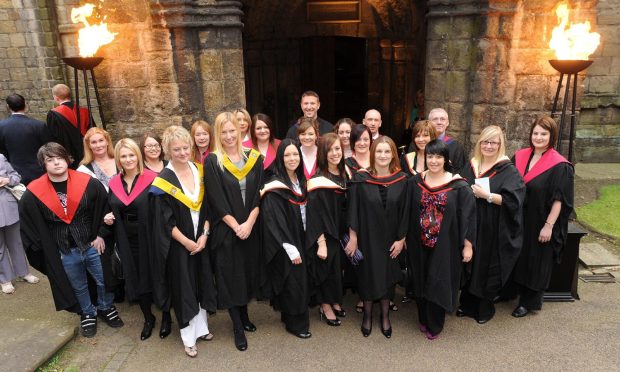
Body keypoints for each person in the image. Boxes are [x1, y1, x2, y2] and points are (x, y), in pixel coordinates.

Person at [19, 143, 124, 338]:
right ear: (43, 164)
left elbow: (106, 210)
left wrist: (101, 233)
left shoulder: (88, 183)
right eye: (50, 160)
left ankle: (105, 307)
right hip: (64, 249)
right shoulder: (33, 193)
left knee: (104, 280)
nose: (56, 162)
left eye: (59, 157)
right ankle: (87, 313)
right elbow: (28, 225)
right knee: (78, 285)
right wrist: (47, 251)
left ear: (68, 158)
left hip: (92, 243)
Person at [150, 126, 216, 357]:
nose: (182, 152)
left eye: (185, 147)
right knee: (184, 286)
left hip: (202, 239)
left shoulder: (199, 170)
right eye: (176, 149)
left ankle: (203, 328)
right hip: (179, 245)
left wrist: (205, 235)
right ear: (167, 151)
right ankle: (189, 337)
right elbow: (164, 222)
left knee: (201, 281)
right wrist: (188, 242)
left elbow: (209, 207)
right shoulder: (163, 181)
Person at [203, 112, 264, 352]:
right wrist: (235, 225)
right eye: (223, 132)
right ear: (218, 135)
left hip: (250, 226)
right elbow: (216, 199)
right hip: (226, 230)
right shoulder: (213, 161)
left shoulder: (254, 158)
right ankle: (237, 325)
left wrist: (249, 223)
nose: (229, 136)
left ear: (240, 131)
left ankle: (245, 315)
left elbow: (260, 193)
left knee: (247, 273)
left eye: (232, 131)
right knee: (230, 276)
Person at [406, 139, 475, 340]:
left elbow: (468, 217)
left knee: (438, 281)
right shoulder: (415, 182)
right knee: (419, 278)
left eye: (438, 156)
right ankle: (422, 316)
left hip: (445, 244)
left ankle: (434, 323)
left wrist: (468, 245)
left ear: (446, 159)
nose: (434, 160)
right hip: (418, 241)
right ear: (424, 157)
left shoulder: (458, 185)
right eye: (430, 156)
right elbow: (406, 211)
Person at [458, 125, 525, 324]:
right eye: (485, 142)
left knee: (486, 266)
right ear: (480, 143)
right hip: (471, 223)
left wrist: (486, 196)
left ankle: (484, 309)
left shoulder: (507, 169)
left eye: (493, 142)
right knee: (469, 263)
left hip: (493, 226)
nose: (488, 146)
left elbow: (513, 201)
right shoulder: (471, 165)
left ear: (500, 145)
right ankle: (467, 304)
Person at [511, 116, 574, 318]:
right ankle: (511, 292)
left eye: (544, 134)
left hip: (541, 219)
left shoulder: (559, 165)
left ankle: (529, 302)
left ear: (552, 136)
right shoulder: (519, 156)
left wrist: (549, 226)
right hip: (519, 218)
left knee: (535, 260)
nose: (538, 137)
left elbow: (559, 200)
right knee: (518, 255)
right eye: (535, 133)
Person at [347, 136, 408, 339]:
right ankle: (367, 316)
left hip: (391, 238)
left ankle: (384, 316)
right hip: (367, 236)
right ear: (373, 154)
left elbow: (405, 212)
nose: (383, 155)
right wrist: (353, 237)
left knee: (387, 277)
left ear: (393, 155)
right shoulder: (360, 179)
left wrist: (401, 239)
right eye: (379, 151)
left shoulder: (402, 180)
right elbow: (353, 209)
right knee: (367, 275)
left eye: (387, 151)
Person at [105, 139, 160, 340]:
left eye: (131, 155)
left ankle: (168, 319)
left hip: (151, 236)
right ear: (118, 159)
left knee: (157, 275)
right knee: (137, 276)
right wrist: (107, 216)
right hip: (126, 238)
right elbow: (111, 206)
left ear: (138, 156)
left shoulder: (154, 179)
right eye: (123, 156)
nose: (128, 159)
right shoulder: (113, 183)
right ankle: (148, 318)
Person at [260, 139, 311, 339]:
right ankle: (296, 324)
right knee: (294, 281)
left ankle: (289, 316)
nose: (292, 159)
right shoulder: (275, 185)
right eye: (287, 155)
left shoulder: (302, 181)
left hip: (303, 236)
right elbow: (273, 219)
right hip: (287, 241)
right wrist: (289, 247)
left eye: (295, 154)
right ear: (280, 158)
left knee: (298, 281)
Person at [306, 133, 347, 327]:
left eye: (337, 149)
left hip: (342, 230)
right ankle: (325, 305)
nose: (334, 153)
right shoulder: (317, 179)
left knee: (337, 269)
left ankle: (334, 300)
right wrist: (320, 242)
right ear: (322, 153)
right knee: (326, 269)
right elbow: (314, 214)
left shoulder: (346, 174)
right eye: (329, 150)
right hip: (325, 231)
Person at [77, 127, 121, 300]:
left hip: (124, 216)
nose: (98, 145)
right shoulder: (83, 170)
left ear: (107, 141)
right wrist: (98, 232)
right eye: (93, 142)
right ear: (88, 145)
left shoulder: (120, 160)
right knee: (107, 257)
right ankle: (115, 291)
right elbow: (86, 205)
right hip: (102, 220)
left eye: (101, 140)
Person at [0, 154, 39, 294]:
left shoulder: (0, 158)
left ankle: (24, 272)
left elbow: (17, 177)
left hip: (9, 208)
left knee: (16, 243)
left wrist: (7, 180)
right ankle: (5, 279)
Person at [0, 93, 49, 184]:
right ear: (25, 104)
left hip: (15, 172)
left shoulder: (1, 126)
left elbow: (2, 151)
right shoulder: (39, 125)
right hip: (39, 172)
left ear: (8, 106)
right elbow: (48, 148)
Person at [46, 84, 94, 169]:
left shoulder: (54, 114)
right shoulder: (84, 111)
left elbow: (53, 138)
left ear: (56, 98)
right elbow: (93, 131)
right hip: (88, 152)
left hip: (68, 156)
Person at [428, 108, 466, 174]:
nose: (439, 122)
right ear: (429, 122)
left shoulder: (456, 146)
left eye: (442, 119)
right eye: (435, 119)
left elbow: (460, 171)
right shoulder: (421, 143)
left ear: (447, 123)